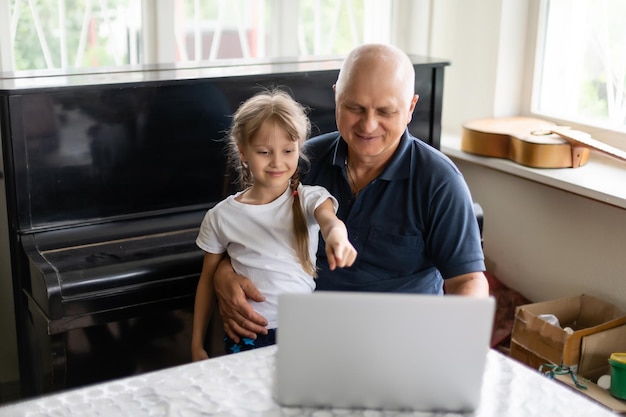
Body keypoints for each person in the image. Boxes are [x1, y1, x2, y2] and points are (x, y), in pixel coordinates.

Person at [214, 43, 490, 343]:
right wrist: (224, 273)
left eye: (385, 111)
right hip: (306, 337)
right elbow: (253, 230)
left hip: (399, 344)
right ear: (336, 96)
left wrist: (447, 341)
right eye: (354, 108)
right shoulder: (301, 162)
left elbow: (469, 281)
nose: (368, 125)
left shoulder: (440, 181)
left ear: (410, 108)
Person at [191, 90, 357, 361]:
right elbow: (207, 281)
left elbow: (330, 221)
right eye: (264, 152)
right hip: (247, 333)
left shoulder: (309, 197)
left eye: (288, 151)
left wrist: (339, 238)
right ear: (243, 151)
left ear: (299, 148)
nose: (278, 162)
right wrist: (197, 344)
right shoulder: (221, 216)